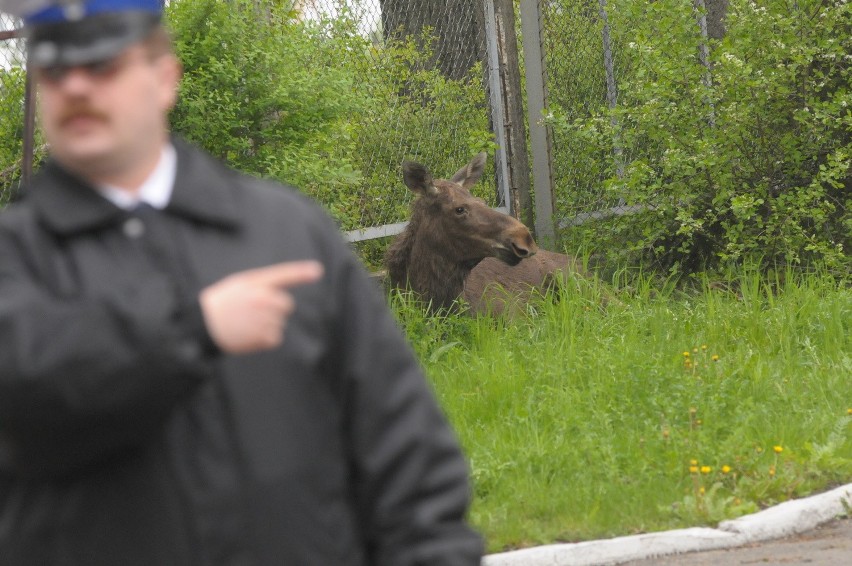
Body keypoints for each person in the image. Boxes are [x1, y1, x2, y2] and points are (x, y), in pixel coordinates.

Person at [0, 1, 484, 564]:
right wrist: (193, 328)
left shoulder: (285, 231)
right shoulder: (18, 258)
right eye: (56, 70)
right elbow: (26, 392)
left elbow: (405, 456)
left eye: (104, 64)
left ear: (164, 79)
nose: (78, 87)